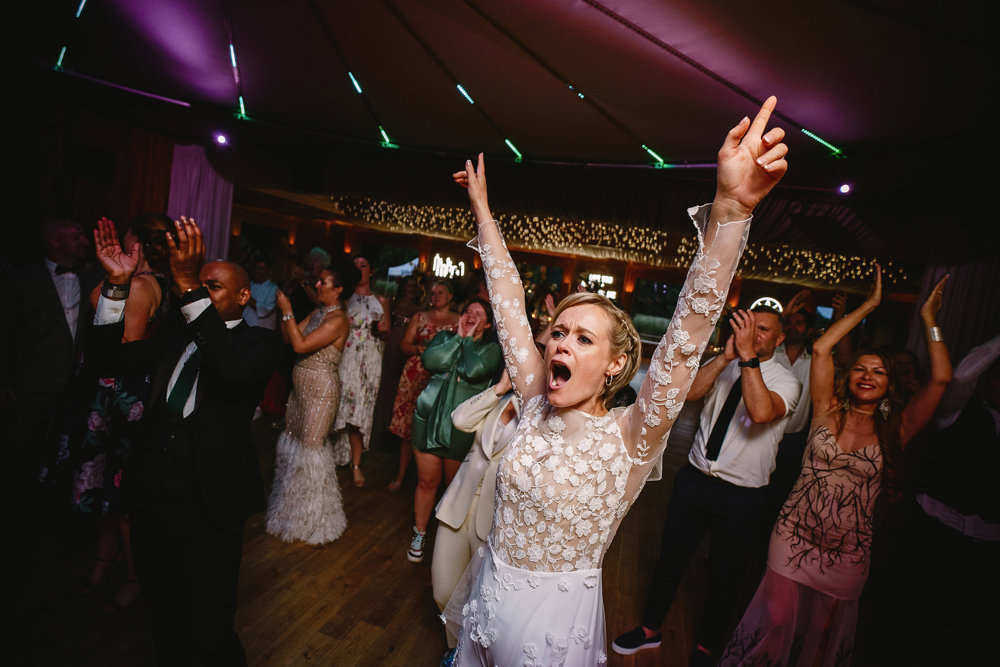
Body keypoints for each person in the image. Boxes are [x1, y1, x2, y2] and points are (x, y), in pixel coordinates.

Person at [444, 96, 789, 665]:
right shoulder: (535, 398)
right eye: (557, 332)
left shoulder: (631, 436)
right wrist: (482, 212)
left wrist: (730, 211)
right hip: (487, 600)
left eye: (583, 339)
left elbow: (687, 333)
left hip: (550, 628)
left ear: (613, 364)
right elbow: (506, 302)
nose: (560, 344)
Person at [718, 266, 952, 666]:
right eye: (861, 368)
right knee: (775, 619)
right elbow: (824, 348)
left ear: (888, 385)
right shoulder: (825, 411)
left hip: (848, 552)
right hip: (792, 534)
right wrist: (869, 306)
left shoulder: (898, 430)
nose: (867, 375)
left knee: (822, 636)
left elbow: (942, 378)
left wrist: (930, 321)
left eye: (878, 372)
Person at [87, 217, 282, 664]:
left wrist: (189, 286)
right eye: (197, 285)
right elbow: (105, 359)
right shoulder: (176, 333)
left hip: (211, 504)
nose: (194, 290)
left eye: (210, 286)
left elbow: (231, 371)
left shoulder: (261, 344)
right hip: (152, 496)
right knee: (163, 611)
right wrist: (117, 287)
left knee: (210, 623)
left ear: (243, 296)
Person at [612, 304, 800, 663]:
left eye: (762, 329)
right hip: (696, 480)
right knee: (670, 558)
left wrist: (746, 359)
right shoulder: (728, 363)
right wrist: (725, 357)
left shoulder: (786, 380)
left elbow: (761, 412)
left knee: (726, 577)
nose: (751, 333)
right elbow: (691, 394)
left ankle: (705, 647)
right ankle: (649, 629)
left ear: (780, 338)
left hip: (743, 496)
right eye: (748, 325)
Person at [69, 213, 173, 613]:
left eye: (127, 241)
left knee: (120, 492)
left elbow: (121, 351)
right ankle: (104, 560)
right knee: (102, 487)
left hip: (122, 396)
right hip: (109, 393)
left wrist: (114, 279)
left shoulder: (144, 286)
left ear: (140, 246)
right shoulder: (143, 281)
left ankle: (133, 576)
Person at [431, 370, 520, 660]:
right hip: (458, 505)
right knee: (443, 590)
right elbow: (460, 420)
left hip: (494, 518)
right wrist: (500, 387)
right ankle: (454, 647)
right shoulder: (498, 398)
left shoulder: (541, 414)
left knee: (479, 600)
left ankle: (462, 658)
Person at [265, 262, 355, 544]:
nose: (317, 285)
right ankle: (289, 512)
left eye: (324, 282)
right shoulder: (319, 312)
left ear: (339, 290)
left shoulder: (339, 319)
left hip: (321, 391)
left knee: (311, 453)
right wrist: (286, 314)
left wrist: (288, 308)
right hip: (301, 389)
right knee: (293, 446)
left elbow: (300, 346)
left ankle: (314, 519)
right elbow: (289, 335)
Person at [407, 298, 502, 562]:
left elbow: (474, 370)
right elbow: (430, 360)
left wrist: (468, 341)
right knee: (426, 482)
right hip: (427, 418)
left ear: (489, 322)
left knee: (454, 487)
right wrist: (458, 338)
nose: (471, 315)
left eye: (478, 313)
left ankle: (447, 545)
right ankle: (420, 532)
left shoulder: (491, 349)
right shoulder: (444, 337)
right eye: (467, 311)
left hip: (462, 426)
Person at [388, 280, 459, 491]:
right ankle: (401, 476)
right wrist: (420, 350)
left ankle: (432, 482)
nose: (435, 295)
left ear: (450, 297)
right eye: (433, 292)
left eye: (441, 292)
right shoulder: (420, 317)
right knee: (409, 427)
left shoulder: (459, 321)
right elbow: (404, 344)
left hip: (443, 377)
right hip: (416, 375)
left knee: (436, 426)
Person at [332, 255, 390, 487]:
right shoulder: (344, 299)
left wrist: (385, 329)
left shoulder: (382, 299)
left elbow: (386, 335)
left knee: (359, 413)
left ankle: (356, 465)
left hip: (370, 361)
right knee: (339, 407)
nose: (359, 270)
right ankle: (332, 459)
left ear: (371, 272)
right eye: (355, 266)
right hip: (346, 357)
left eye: (363, 266)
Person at [372, 274, 424, 437]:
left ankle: (396, 423)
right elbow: (418, 311)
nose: (412, 289)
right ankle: (385, 422)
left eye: (414, 287)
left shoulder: (417, 308)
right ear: (403, 288)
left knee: (403, 384)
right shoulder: (400, 304)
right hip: (395, 343)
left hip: (409, 344)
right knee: (390, 382)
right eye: (409, 286)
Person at [243, 258, 278, 329]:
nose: (256, 271)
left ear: (269, 271)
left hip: (262, 330)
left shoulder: (273, 289)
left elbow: (265, 310)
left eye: (260, 268)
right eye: (255, 267)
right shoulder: (250, 284)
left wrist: (246, 297)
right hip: (246, 329)